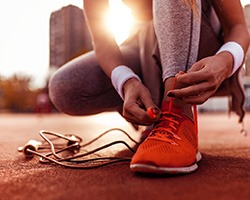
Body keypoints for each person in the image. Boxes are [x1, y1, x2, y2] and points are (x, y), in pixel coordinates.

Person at [49, 0, 250, 174]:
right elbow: (102, 40)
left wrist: (226, 61)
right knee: (65, 88)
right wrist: (127, 81)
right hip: (145, 43)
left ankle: (178, 113)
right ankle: (156, 111)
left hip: (208, 47)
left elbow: (238, 26)